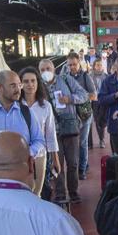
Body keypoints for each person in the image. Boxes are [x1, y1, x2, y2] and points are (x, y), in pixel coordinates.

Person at [0, 70, 47, 189]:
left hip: (22, 178)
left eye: (19, 85)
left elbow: (39, 141)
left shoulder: (27, 113)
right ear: (0, 88)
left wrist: (26, 153)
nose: (18, 89)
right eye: (13, 85)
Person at [39, 58, 88, 204]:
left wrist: (70, 99)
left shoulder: (66, 80)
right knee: (57, 162)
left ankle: (73, 191)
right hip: (51, 130)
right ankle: (60, 192)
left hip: (70, 127)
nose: (45, 72)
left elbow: (84, 95)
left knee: (72, 162)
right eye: (42, 70)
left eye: (48, 68)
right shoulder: (38, 86)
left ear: (54, 69)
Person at [19, 67, 60, 196]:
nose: (30, 84)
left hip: (39, 155)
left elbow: (50, 134)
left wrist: (55, 159)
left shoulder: (45, 106)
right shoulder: (16, 105)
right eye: (26, 81)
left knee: (37, 192)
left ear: (38, 83)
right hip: (19, 155)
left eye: (33, 81)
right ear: (20, 84)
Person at [65, 53, 98, 180]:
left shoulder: (86, 77)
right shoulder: (65, 77)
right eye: (70, 65)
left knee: (82, 142)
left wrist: (75, 98)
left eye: (74, 64)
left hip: (84, 114)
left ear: (79, 63)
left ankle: (82, 169)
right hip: (71, 115)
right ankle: (83, 163)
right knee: (73, 143)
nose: (72, 67)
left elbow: (94, 95)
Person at [89, 58, 109, 148]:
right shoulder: (90, 76)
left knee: (103, 121)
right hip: (95, 101)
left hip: (104, 100)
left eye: (101, 65)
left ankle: (102, 137)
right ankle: (102, 139)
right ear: (94, 66)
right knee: (97, 120)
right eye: (97, 65)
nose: (99, 67)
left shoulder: (106, 76)